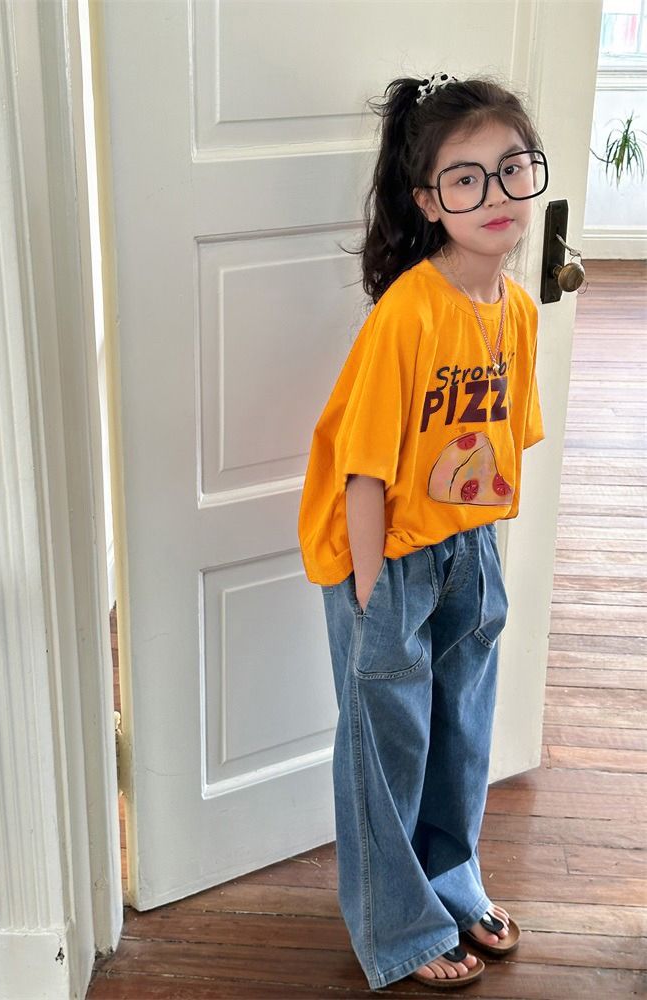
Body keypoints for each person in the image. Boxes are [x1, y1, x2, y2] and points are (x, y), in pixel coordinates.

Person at [297, 73, 547, 991]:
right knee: (387, 750)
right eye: (466, 178)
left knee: (460, 737)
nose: (496, 194)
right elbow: (364, 470)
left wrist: (483, 564)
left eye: (512, 168)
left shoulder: (517, 311)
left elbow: (496, 450)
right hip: (386, 558)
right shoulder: (407, 311)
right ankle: (398, 928)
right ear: (429, 200)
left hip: (466, 553)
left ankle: (452, 885)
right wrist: (372, 595)